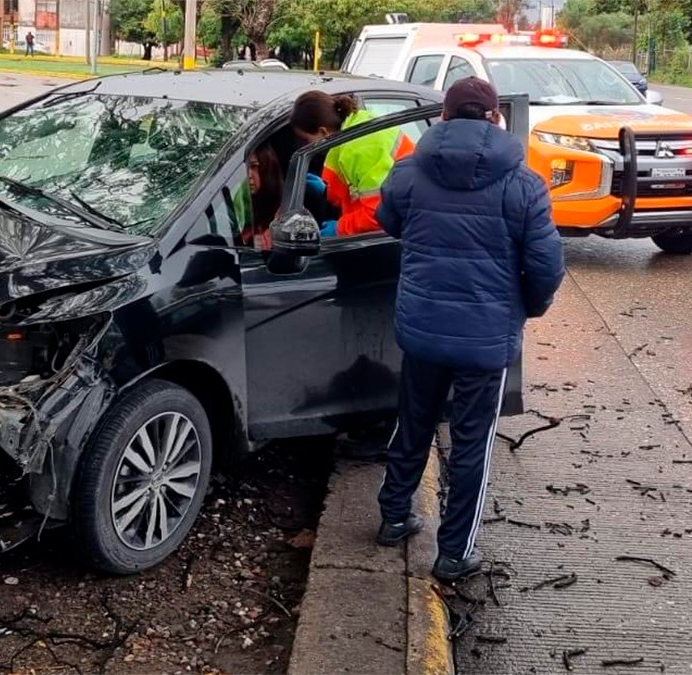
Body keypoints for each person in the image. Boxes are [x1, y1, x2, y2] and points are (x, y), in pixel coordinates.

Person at [373, 77, 565, 581]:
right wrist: (531, 306)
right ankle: (454, 553)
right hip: (485, 338)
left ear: (444, 116)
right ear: (495, 118)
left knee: (412, 422)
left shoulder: (408, 172)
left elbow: (388, 220)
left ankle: (394, 516)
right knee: (471, 443)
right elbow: (545, 264)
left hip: (422, 328)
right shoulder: (524, 184)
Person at [288, 92, 414, 238]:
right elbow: (361, 190)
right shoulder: (355, 128)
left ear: (323, 131)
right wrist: (327, 192)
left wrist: (340, 228)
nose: (305, 147)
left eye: (305, 140)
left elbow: (378, 214)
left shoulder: (359, 148)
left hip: (407, 230)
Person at [239, 144, 283, 250]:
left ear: (267, 169)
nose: (248, 174)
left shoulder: (283, 213)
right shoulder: (234, 206)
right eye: (244, 168)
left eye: (254, 167)